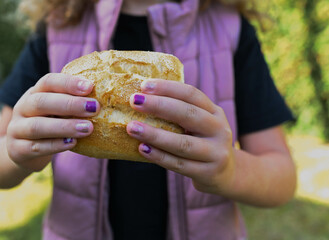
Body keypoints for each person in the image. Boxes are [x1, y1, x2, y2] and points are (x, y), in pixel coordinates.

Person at [0, 0, 296, 239]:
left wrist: (231, 170)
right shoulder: (56, 26)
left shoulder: (229, 29)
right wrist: (18, 154)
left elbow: (283, 177)